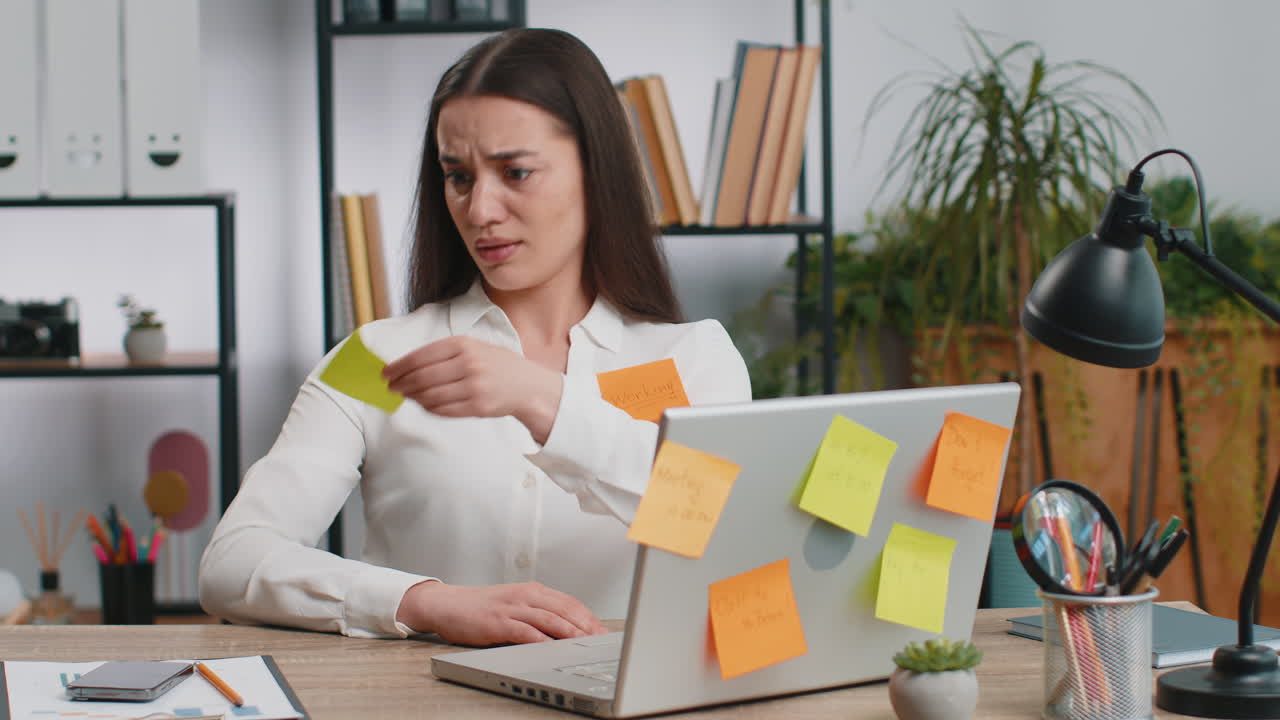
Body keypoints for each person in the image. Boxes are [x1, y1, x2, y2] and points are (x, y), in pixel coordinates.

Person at [198, 27, 751, 646]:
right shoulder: (377, 360)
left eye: (516, 172)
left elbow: (719, 522)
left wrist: (542, 400)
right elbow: (233, 562)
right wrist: (426, 602)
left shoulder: (690, 358)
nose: (480, 209)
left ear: (597, 171)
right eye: (458, 176)